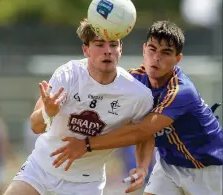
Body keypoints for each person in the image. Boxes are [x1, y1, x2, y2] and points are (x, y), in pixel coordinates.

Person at [50, 20, 223, 195]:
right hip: (169, 165)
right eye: (152, 49)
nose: (156, 58)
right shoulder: (134, 82)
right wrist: (142, 168)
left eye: (166, 53)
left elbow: (140, 131)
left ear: (178, 59)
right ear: (144, 49)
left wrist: (86, 144)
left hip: (209, 168)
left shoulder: (181, 92)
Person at [3, 18, 154, 195]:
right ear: (86, 50)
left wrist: (142, 168)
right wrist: (48, 112)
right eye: (99, 44)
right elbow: (36, 126)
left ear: (121, 49)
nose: (107, 51)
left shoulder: (138, 95)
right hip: (40, 171)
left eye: (113, 45)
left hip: (86, 184)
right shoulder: (68, 75)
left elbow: (144, 133)